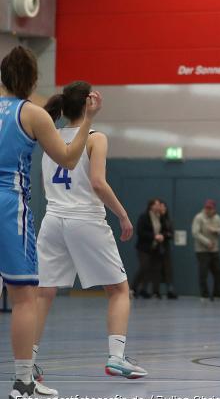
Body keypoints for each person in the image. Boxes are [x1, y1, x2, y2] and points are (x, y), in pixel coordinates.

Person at [0, 46, 101, 399]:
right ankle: (24, 382)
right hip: (9, 207)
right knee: (25, 298)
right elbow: (70, 159)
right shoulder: (33, 115)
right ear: (32, 79)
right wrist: (88, 119)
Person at [33, 81, 147, 381]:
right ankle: (116, 358)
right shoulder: (96, 137)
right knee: (119, 290)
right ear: (89, 103)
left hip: (53, 220)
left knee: (42, 294)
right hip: (84, 219)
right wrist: (123, 215)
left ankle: (27, 361)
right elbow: (97, 183)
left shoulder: (51, 136)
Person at [193, 199, 220, 300]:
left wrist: (216, 230)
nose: (208, 210)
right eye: (206, 208)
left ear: (214, 209)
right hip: (202, 250)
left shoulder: (217, 218)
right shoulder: (199, 217)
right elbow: (195, 233)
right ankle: (204, 294)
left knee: (218, 271)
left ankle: (217, 293)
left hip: (214, 250)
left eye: (210, 208)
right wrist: (207, 242)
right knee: (203, 272)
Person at [134, 199, 166, 299]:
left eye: (159, 205)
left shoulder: (160, 217)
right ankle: (133, 289)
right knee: (144, 267)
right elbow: (140, 231)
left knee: (154, 269)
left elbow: (165, 229)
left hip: (155, 248)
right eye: (156, 204)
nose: (159, 206)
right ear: (151, 206)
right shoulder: (144, 217)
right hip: (144, 247)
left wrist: (162, 236)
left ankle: (147, 290)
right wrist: (154, 236)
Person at [158, 200, 177, 299]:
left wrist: (165, 235)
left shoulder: (167, 219)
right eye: (160, 207)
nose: (162, 209)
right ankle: (156, 291)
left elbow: (171, 233)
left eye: (164, 207)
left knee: (168, 269)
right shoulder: (155, 219)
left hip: (165, 246)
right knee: (155, 269)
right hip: (155, 247)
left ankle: (170, 290)